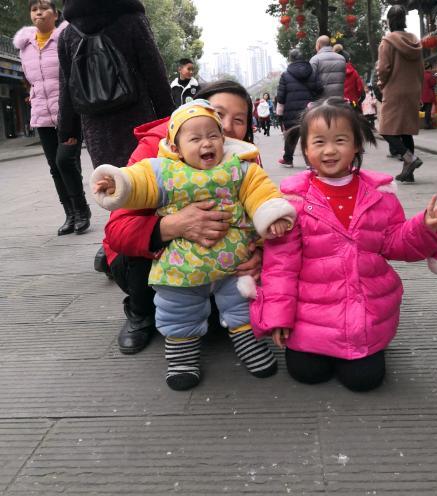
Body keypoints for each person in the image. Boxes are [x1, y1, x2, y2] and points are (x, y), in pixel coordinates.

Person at [248, 97, 437, 392]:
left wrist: (423, 228)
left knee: (364, 380)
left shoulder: (380, 195)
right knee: (307, 372)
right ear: (306, 149)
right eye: (319, 142)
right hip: (311, 316)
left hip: (364, 314)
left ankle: (361, 348)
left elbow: (394, 242)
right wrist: (278, 318)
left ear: (357, 145)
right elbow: (280, 267)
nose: (330, 150)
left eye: (340, 140)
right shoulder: (292, 203)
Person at [92, 100, 296, 391]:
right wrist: (118, 184)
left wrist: (271, 216)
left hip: (232, 262)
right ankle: (181, 359)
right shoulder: (164, 171)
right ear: (175, 147)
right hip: (182, 267)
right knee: (178, 311)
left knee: (241, 304)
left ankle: (250, 344)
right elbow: (139, 182)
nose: (207, 143)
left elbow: (260, 192)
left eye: (213, 135)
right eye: (196, 138)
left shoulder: (240, 168)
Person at [103, 80, 261, 355]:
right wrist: (173, 225)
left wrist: (258, 251)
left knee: (225, 316)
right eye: (219, 113)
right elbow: (118, 229)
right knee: (146, 265)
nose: (226, 126)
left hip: (216, 259)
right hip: (154, 257)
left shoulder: (242, 157)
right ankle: (140, 312)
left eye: (239, 120)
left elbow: (261, 207)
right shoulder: (156, 148)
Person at [58, 0, 175, 170]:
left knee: (109, 180)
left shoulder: (67, 34)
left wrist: (67, 130)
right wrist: (169, 118)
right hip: (137, 119)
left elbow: (67, 87)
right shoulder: (133, 20)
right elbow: (155, 73)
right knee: (146, 176)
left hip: (96, 128)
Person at [14, 0, 90, 236]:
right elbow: (30, 79)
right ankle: (70, 214)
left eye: (44, 8)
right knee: (55, 167)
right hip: (41, 114)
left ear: (56, 14)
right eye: (34, 9)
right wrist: (33, 95)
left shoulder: (65, 39)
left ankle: (82, 211)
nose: (39, 13)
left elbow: (76, 74)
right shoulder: (25, 47)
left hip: (68, 112)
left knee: (65, 160)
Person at [377, 5, 424, 183]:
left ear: (389, 20)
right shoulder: (415, 42)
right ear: (404, 19)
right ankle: (408, 173)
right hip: (413, 89)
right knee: (406, 131)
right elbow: (421, 69)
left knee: (385, 130)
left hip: (394, 90)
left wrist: (381, 83)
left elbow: (383, 69)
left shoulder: (387, 42)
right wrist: (418, 89)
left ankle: (409, 158)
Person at [276, 48, 323, 167]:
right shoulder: (312, 72)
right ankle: (310, 162)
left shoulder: (285, 75)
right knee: (309, 135)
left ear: (291, 59)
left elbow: (280, 97)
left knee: (292, 134)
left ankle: (288, 160)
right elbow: (320, 89)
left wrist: (280, 113)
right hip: (310, 109)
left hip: (291, 109)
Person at [333, 46, 364, 111]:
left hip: (337, 106)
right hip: (353, 105)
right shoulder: (354, 72)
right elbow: (360, 90)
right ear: (348, 59)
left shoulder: (333, 72)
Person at [421, 62, 437, 129]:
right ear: (430, 68)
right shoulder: (430, 75)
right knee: (428, 111)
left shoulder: (421, 75)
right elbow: (433, 84)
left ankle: (427, 124)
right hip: (429, 95)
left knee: (426, 110)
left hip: (423, 95)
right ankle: (427, 125)